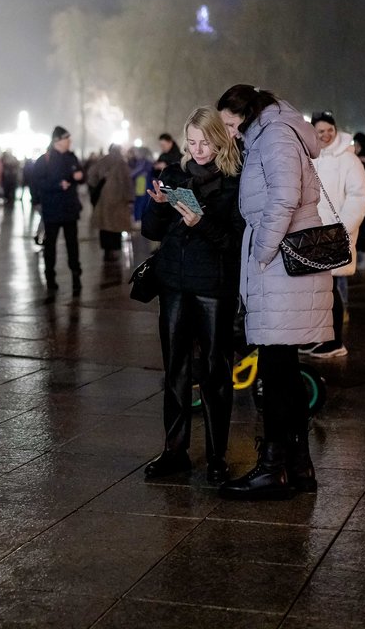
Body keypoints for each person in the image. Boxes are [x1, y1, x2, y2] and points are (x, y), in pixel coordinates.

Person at [215, 85, 331, 499]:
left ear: (245, 114)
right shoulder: (275, 132)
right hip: (284, 264)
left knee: (277, 371)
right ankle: (298, 466)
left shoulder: (276, 135)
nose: (228, 133)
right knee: (282, 369)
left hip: (281, 263)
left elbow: (283, 197)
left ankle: (272, 469)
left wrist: (261, 252)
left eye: (230, 123)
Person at [141, 107, 244, 484]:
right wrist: (155, 204)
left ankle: (217, 455)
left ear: (220, 139)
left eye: (205, 142)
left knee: (216, 372)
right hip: (173, 285)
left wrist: (201, 223)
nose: (198, 150)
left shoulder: (234, 181)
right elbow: (151, 232)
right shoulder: (174, 174)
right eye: (192, 142)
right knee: (176, 370)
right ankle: (174, 450)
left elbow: (235, 241)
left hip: (213, 288)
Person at [303, 111, 365, 359]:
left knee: (330, 289)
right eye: (321, 131)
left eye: (330, 129)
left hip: (334, 233)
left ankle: (333, 341)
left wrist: (342, 228)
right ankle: (318, 338)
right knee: (315, 291)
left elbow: (359, 195)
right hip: (310, 233)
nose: (326, 135)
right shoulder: (309, 156)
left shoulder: (348, 160)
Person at [33, 127, 85, 293]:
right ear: (57, 141)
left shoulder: (72, 157)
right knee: (50, 245)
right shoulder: (44, 160)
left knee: (72, 245)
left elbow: (81, 175)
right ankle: (50, 277)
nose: (69, 142)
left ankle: (76, 276)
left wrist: (79, 176)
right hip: (52, 209)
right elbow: (36, 183)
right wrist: (57, 186)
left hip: (70, 209)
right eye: (66, 139)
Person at [88, 144, 134, 259]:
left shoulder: (103, 161)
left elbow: (91, 176)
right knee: (116, 225)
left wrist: (95, 187)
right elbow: (127, 182)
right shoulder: (122, 163)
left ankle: (106, 250)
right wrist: (130, 198)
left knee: (104, 224)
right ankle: (114, 250)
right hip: (118, 199)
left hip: (103, 199)